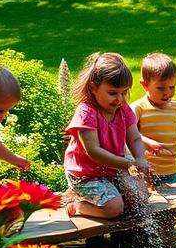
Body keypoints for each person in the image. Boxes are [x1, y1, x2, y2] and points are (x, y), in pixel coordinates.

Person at [63, 52, 150, 219]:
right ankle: (77, 204)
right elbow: (94, 152)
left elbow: (135, 138)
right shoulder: (86, 113)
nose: (119, 99)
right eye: (113, 93)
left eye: (124, 93)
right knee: (114, 208)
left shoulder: (123, 109)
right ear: (94, 88)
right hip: (86, 175)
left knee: (140, 198)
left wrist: (140, 158)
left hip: (112, 169)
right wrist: (129, 164)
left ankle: (106, 197)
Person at [132, 52, 176, 185]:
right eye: (160, 88)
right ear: (145, 85)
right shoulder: (138, 109)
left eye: (172, 87)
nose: (167, 92)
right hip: (145, 172)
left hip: (171, 171)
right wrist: (148, 142)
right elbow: (129, 135)